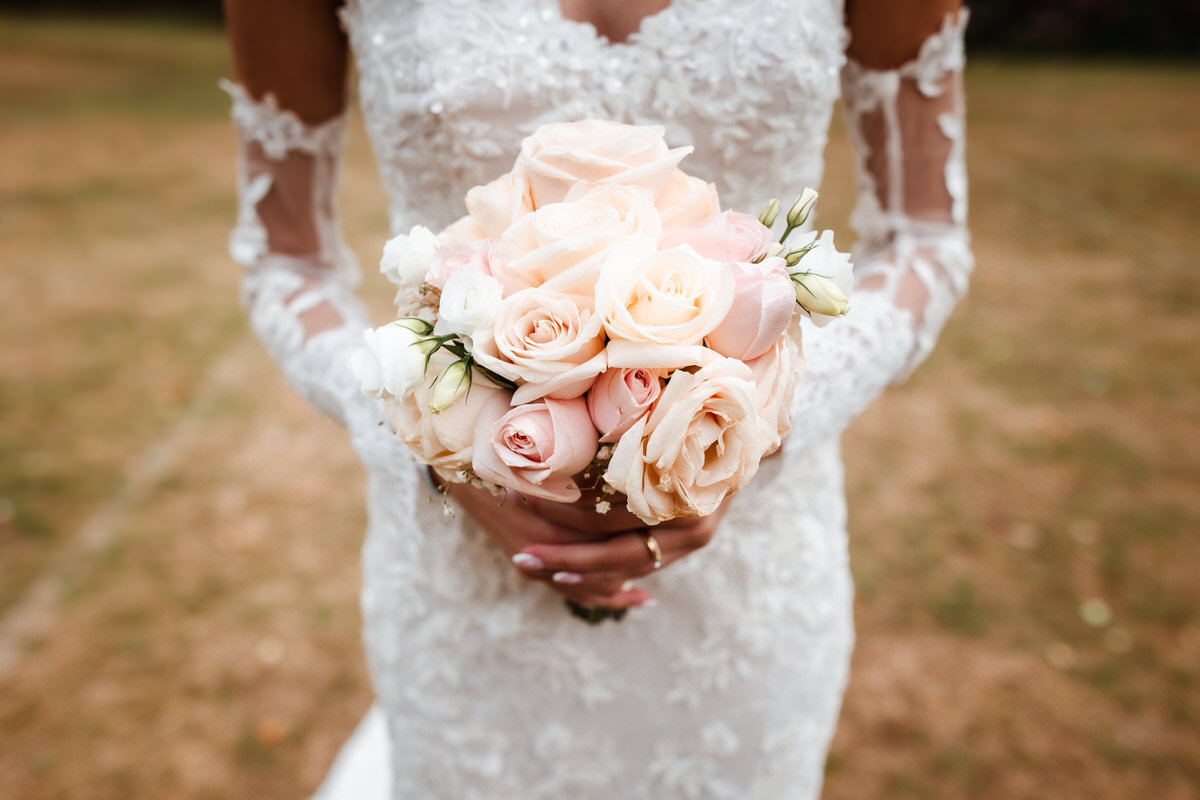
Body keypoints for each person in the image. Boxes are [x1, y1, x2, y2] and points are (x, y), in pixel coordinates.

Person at [222, 0, 973, 796]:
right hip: (468, 594)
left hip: (748, 580)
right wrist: (436, 443)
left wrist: (748, 419)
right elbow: (287, 265)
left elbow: (923, 238)